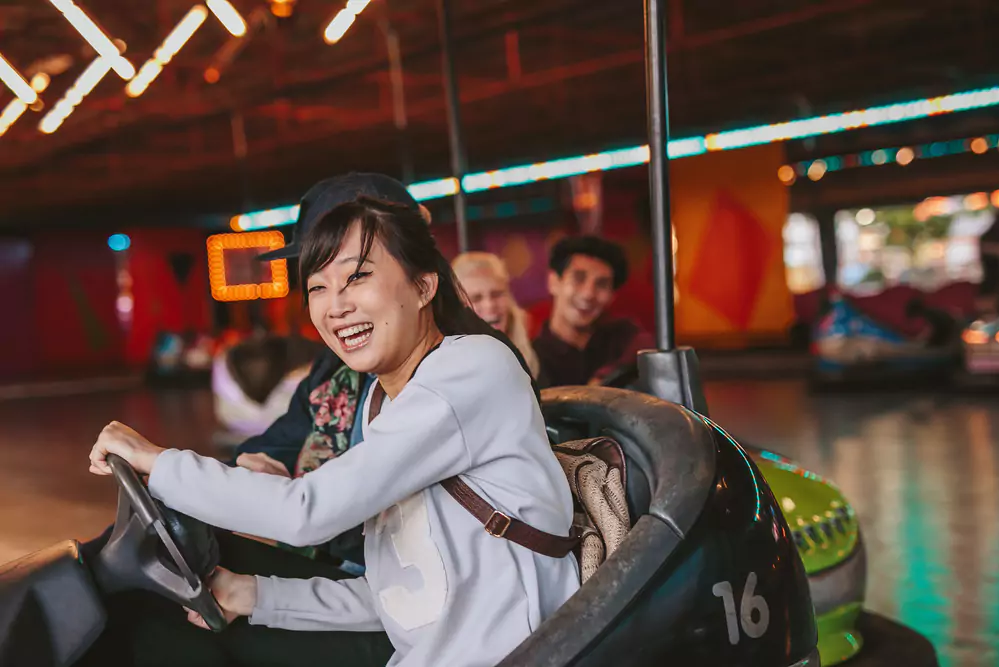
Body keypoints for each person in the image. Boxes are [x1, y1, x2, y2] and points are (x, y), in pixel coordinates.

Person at [85, 197, 580, 667]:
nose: (334, 305)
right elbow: (399, 595)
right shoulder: (383, 402)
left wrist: (158, 460)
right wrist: (255, 595)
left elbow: (307, 512)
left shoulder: (472, 367)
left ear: (425, 286)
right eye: (318, 287)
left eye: (358, 276)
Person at [533, 235, 654, 387]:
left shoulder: (623, 337)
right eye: (579, 278)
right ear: (553, 282)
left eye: (601, 284)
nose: (588, 294)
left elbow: (649, 351)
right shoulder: (533, 357)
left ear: (612, 296)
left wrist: (603, 378)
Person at [452, 251, 541, 378]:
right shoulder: (450, 367)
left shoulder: (535, 348)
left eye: (497, 294)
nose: (490, 305)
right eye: (476, 298)